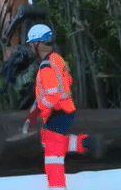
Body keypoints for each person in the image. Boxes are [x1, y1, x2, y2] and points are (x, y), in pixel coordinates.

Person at [25, 23, 105, 190]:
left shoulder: (46, 67)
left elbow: (52, 95)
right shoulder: (57, 59)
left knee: (53, 160)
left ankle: (57, 187)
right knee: (47, 140)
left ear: (38, 43)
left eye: (31, 43)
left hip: (57, 113)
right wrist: (37, 107)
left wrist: (39, 113)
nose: (30, 48)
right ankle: (87, 142)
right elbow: (67, 82)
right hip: (65, 111)